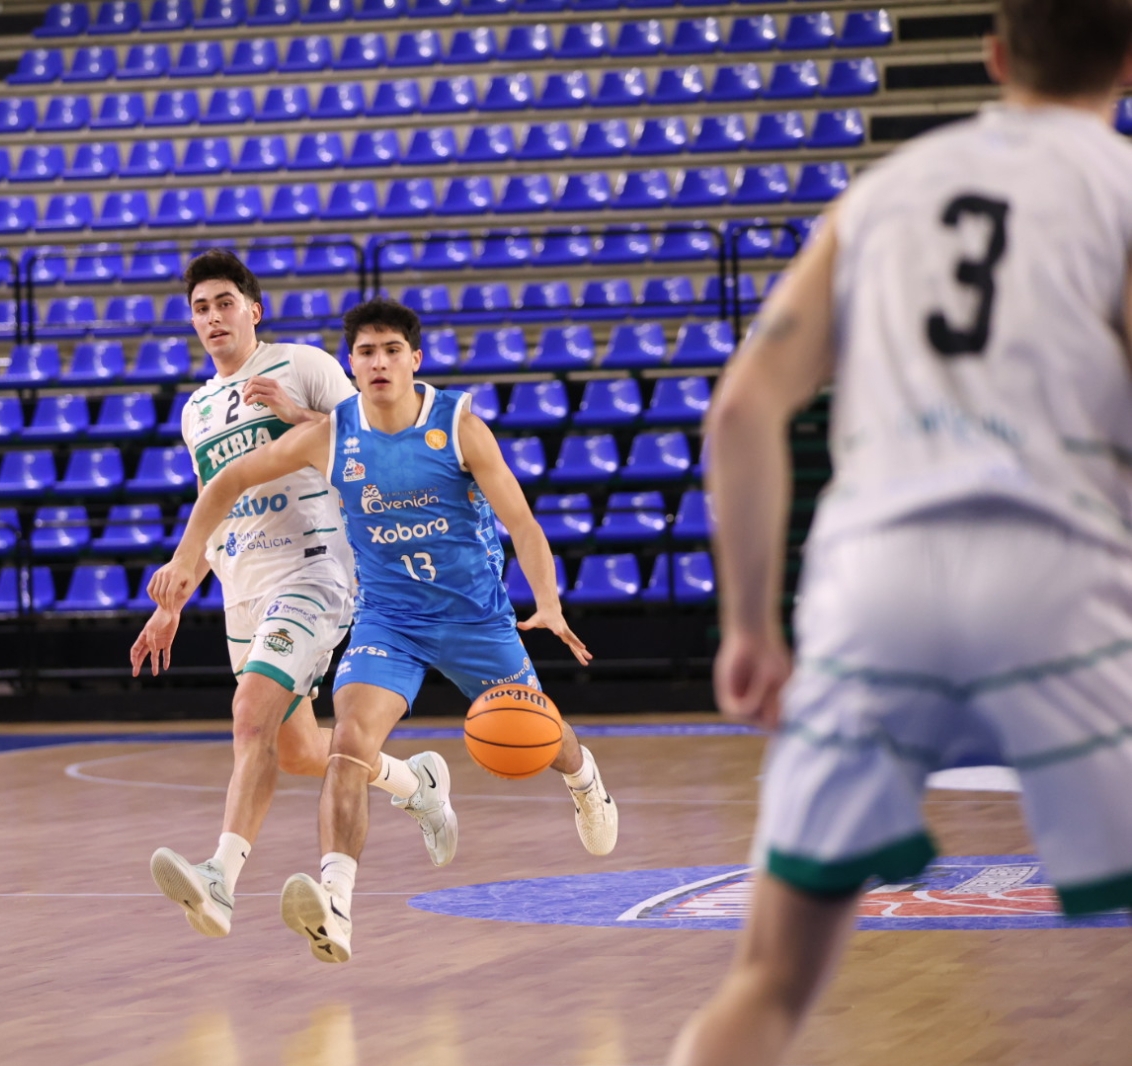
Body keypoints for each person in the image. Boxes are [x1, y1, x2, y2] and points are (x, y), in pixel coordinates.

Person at [666, 1, 1132, 1063]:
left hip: (871, 585)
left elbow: (740, 412)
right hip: (1060, 575)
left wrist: (751, 629)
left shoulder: (882, 194)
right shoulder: (1117, 187)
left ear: (995, 56)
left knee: (770, 978)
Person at [149, 298, 619, 962]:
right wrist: (182, 560)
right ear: (353, 363)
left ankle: (584, 779)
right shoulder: (330, 434)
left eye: (392, 350)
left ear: (414, 359)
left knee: (543, 737)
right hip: (389, 621)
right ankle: (335, 905)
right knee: (346, 744)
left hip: (474, 618)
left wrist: (549, 604)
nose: (379, 362)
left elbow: (522, 523)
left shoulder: (458, 426)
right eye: (367, 352)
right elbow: (229, 480)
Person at [130, 252, 457, 940]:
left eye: (225, 303)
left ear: (254, 310)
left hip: (312, 570)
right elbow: (214, 505)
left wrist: (299, 413)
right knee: (300, 750)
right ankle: (414, 783)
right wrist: (172, 601)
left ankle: (220, 880)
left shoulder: (300, 363)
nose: (213, 317)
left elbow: (376, 446)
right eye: (200, 308)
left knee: (249, 714)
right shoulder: (196, 410)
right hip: (242, 588)